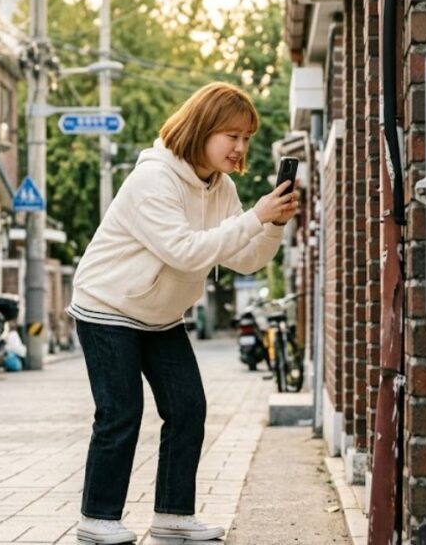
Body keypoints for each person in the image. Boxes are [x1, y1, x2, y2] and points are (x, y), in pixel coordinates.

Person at [67, 81, 297, 544]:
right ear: (202, 129)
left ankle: (173, 515)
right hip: (107, 306)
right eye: (232, 135)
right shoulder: (153, 179)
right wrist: (254, 217)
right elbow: (185, 252)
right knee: (120, 412)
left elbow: (244, 258)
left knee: (188, 407)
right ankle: (97, 519)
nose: (240, 147)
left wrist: (271, 226)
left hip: (159, 314)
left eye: (247, 138)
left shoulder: (221, 187)